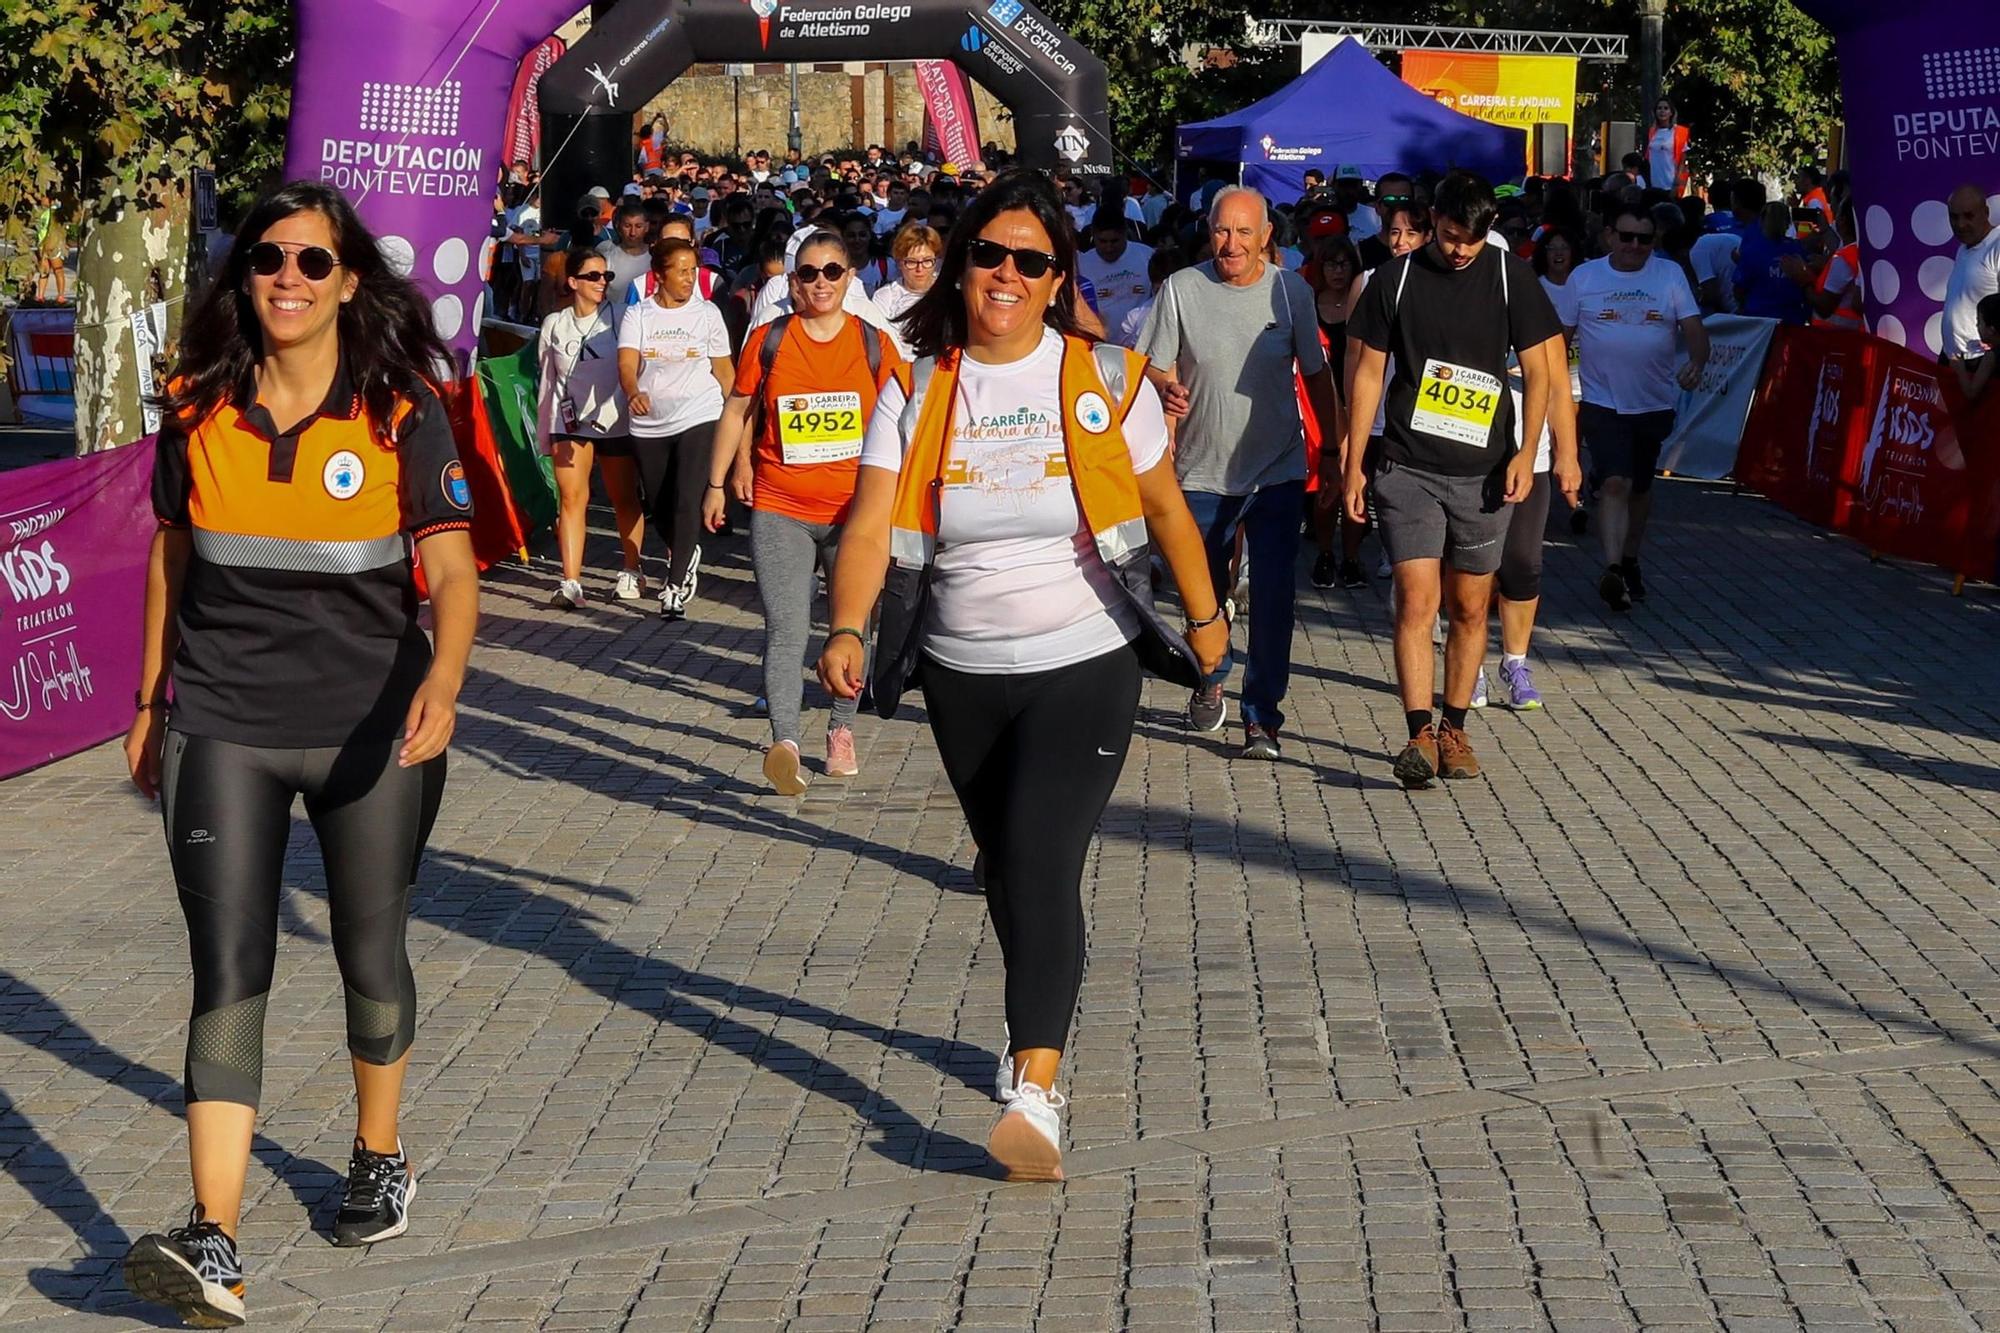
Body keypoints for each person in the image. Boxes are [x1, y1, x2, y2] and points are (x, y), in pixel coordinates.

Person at [815, 170, 1227, 1183]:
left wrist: (1207, 621)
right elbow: (870, 519)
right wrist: (846, 625)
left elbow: (1166, 509)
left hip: (1082, 658)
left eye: (1028, 260)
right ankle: (1029, 1025)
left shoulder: (1102, 379)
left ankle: (1035, 1087)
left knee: (1040, 859)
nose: (1004, 274)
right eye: (987, 254)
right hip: (959, 668)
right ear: (959, 265)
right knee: (1002, 866)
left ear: (1055, 280)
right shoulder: (913, 382)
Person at [120, 182, 479, 1328]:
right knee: (228, 973)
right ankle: (213, 1237)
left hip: (375, 732)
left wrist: (445, 674)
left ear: (349, 282)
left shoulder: (401, 412)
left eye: (311, 263)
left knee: (370, 955)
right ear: (243, 278)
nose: (286, 277)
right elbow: (172, 558)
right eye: (267, 259)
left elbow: (456, 569)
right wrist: (145, 698)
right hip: (223, 725)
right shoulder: (195, 410)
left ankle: (379, 1152)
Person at [1344, 170, 1566, 789]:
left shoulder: (1507, 274)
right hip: (1408, 466)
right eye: (1448, 235)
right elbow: (1367, 373)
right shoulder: (1397, 278)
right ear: (1430, 220)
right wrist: (1353, 458)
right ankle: (1418, 732)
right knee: (1418, 601)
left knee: (1471, 608)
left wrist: (1528, 452)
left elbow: (1541, 369)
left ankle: (1456, 726)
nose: (1459, 248)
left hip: (1484, 473)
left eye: (1471, 238)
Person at [1136, 186, 1343, 759]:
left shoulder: (1290, 290)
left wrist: (1333, 455)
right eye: (1222, 231)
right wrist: (1166, 389)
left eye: (1244, 233)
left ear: (1266, 237)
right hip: (1201, 471)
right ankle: (1212, 671)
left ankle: (1262, 717)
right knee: (1203, 594)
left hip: (1276, 468)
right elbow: (1148, 367)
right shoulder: (1182, 287)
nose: (1231, 244)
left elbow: (1318, 374)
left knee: (1275, 596)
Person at [704, 231, 899, 791]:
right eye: (809, 274)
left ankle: (840, 731)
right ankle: (785, 742)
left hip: (854, 514)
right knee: (786, 629)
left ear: (849, 278)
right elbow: (737, 408)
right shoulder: (769, 339)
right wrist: (716, 482)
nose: (820, 283)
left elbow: (908, 414)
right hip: (780, 505)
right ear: (793, 283)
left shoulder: (872, 342)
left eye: (832, 272)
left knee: (852, 625)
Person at [1552, 202, 1706, 612]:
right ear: (1609, 237)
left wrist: (1697, 361)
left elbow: (1693, 327)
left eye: (1644, 239)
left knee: (1640, 486)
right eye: (1626, 237)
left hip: (1654, 402)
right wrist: (1549, 383)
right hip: (1602, 401)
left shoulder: (1669, 274)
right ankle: (1613, 568)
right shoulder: (1585, 278)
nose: (1635, 247)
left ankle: (1631, 560)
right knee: (1615, 483)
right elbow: (1560, 337)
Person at [618, 237, 734, 621]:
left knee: (687, 498)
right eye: (681, 271)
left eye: (693, 270)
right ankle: (686, 549)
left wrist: (741, 420)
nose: (689, 278)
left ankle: (673, 585)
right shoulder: (640, 315)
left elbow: (725, 373)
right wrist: (633, 391)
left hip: (698, 413)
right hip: (649, 422)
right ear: (659, 275)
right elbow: (627, 362)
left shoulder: (707, 314)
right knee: (659, 503)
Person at [539, 246, 633, 608]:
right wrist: (545, 433)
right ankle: (571, 582)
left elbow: (632, 369)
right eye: (593, 276)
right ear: (573, 281)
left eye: (606, 276)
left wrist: (620, 405)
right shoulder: (555, 324)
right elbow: (548, 383)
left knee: (623, 498)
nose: (602, 283)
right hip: (570, 423)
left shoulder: (621, 317)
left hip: (615, 420)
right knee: (572, 499)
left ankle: (631, 569)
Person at [1301, 233, 1361, 588]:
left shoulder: (1363, 303)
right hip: (1321, 404)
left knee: (1358, 481)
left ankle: (1352, 558)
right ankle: (1325, 553)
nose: (1338, 271)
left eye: (1344, 264)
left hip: (1359, 403)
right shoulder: (1308, 306)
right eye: (1331, 264)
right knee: (1327, 484)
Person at [1076, 208, 1155, 344]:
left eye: (1114, 241)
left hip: (1139, 344)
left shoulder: (1147, 256)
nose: (1108, 248)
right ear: (1093, 235)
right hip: (1100, 345)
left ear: (1125, 234)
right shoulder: (1081, 264)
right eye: (1102, 241)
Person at [1945, 183, 2000, 364]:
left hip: (1981, 362)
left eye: (1969, 216)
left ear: (1985, 212)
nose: (1961, 224)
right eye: (1954, 217)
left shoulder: (1997, 245)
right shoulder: (1964, 248)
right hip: (1955, 359)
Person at [1733, 202, 1813, 326]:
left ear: (1762, 221)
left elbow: (1739, 289)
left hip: (1759, 321)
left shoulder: (1752, 250)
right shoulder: (1798, 249)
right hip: (1792, 319)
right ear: (1788, 223)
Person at [871, 223, 942, 354]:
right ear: (898, 262)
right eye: (911, 262)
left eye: (927, 261)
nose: (919, 269)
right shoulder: (884, 297)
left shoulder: (948, 292)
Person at [1953, 294, 2000, 402]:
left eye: (1979, 322)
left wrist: (1958, 366)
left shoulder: (1992, 356)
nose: (1976, 326)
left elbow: (1971, 393)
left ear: (1991, 330)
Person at [1646, 99, 1691, 194]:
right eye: (1659, 108)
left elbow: (1682, 160)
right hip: (1654, 182)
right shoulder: (1652, 132)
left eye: (1666, 108)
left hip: (1671, 183)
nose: (1662, 111)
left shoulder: (1679, 131)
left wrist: (1677, 181)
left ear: (1671, 112)